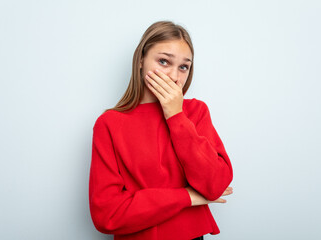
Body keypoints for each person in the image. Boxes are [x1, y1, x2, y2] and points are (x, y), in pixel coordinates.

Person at [89, 20, 234, 240]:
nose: (175, 77)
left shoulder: (196, 112)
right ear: (140, 60)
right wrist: (188, 196)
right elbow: (107, 214)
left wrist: (176, 116)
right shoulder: (109, 123)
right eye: (164, 61)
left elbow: (215, 184)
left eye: (184, 66)